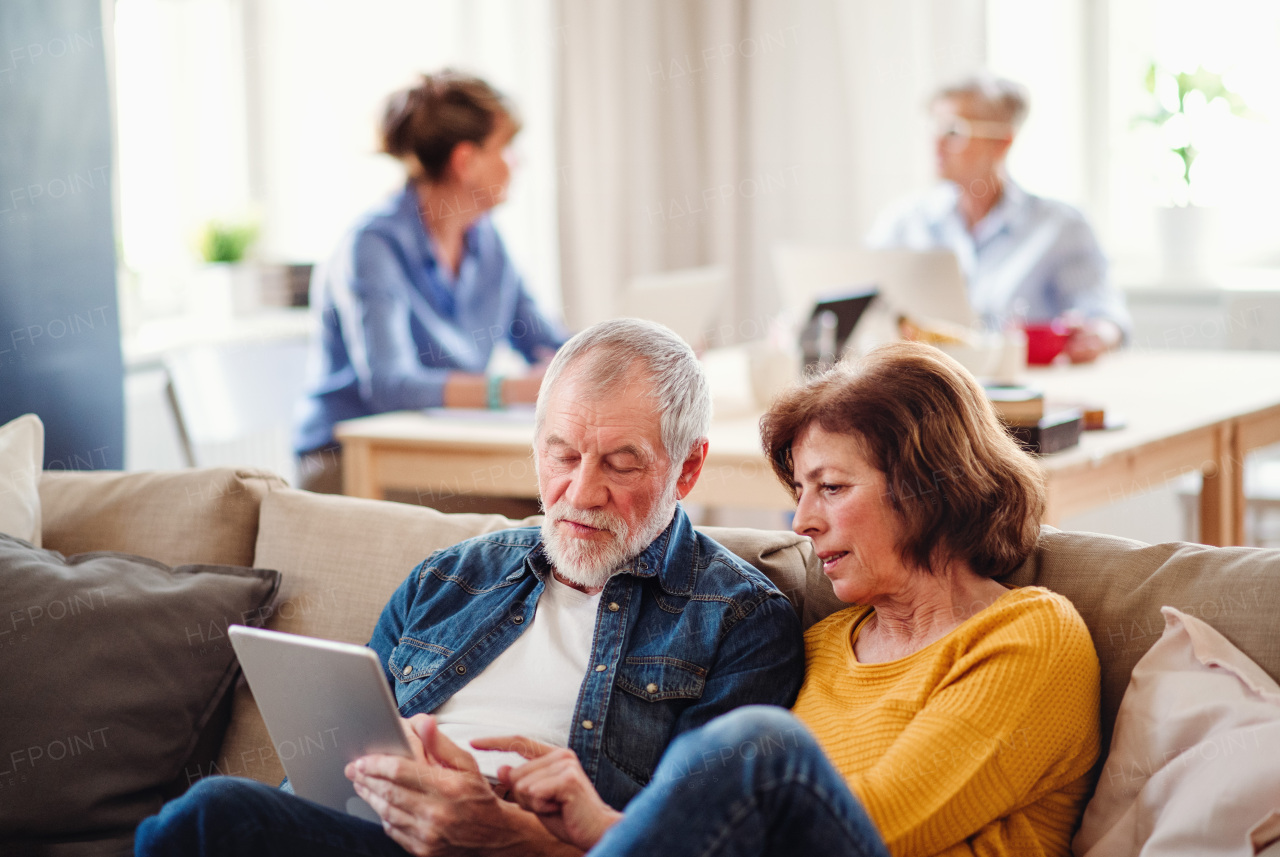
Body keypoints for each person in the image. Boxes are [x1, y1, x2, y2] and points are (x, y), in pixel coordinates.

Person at [136, 318, 805, 857]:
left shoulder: (742, 620)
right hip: (376, 833)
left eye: (621, 464)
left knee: (211, 814)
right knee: (213, 818)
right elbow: (321, 771)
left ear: (687, 469)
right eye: (563, 454)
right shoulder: (448, 577)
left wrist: (504, 832)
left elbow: (699, 842)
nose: (581, 492)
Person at [472, 341, 1101, 856]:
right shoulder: (825, 643)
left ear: (928, 487)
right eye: (799, 489)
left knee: (761, 746)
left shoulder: (1029, 635)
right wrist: (595, 824)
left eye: (830, 487)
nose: (801, 521)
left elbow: (874, 827)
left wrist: (608, 831)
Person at [294, 70, 567, 493]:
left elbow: (545, 340)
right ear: (466, 161)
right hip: (348, 463)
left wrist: (629, 354)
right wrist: (514, 389)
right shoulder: (373, 245)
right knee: (549, 515)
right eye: (506, 148)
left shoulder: (486, 239)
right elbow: (392, 386)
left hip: (436, 449)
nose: (518, 162)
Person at [868, 74, 1130, 363]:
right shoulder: (902, 224)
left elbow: (1104, 314)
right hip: (926, 395)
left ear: (1002, 141)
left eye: (954, 131)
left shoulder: (1063, 226)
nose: (937, 143)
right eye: (935, 127)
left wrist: (1099, 334)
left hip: (1024, 395)